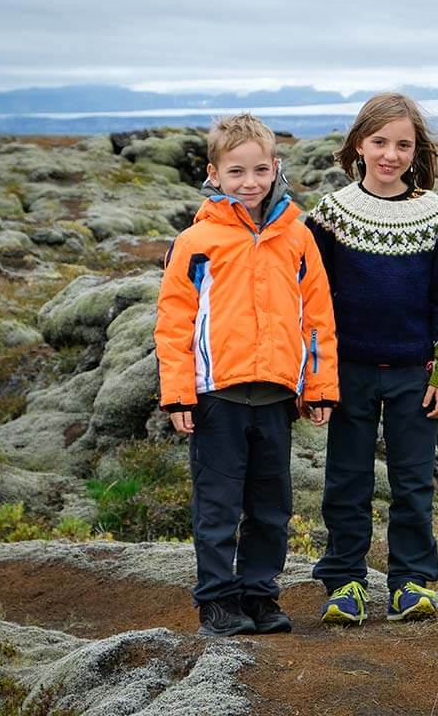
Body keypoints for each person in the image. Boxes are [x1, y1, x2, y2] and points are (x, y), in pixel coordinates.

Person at [155, 113, 339, 637]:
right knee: (217, 508)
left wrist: (319, 386)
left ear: (276, 167)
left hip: (278, 397)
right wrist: (179, 395)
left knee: (271, 506)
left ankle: (260, 596)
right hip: (217, 399)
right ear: (214, 174)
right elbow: (173, 322)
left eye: (260, 170)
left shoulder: (299, 239)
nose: (250, 182)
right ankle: (217, 602)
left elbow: (317, 317)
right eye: (236, 172)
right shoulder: (196, 242)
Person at [305, 92, 438, 624]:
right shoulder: (330, 214)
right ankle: (345, 582)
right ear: (358, 144)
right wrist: (315, 373)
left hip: (413, 375)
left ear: (417, 150)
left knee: (413, 480)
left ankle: (410, 583)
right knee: (347, 480)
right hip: (347, 371)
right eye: (380, 142)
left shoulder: (436, 216)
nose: (391, 154)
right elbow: (309, 296)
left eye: (403, 144)